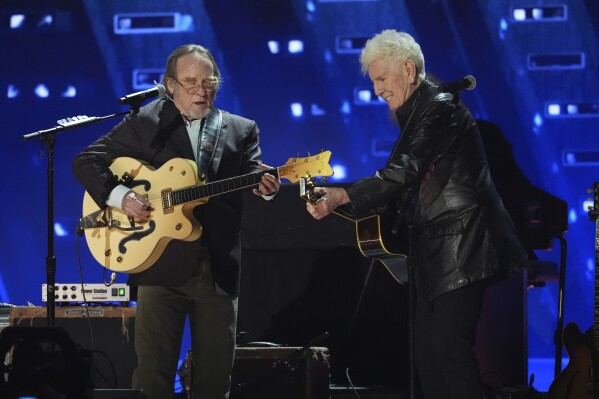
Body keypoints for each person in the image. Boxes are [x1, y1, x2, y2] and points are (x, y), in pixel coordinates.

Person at [305, 30, 527, 399]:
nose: (377, 90)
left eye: (381, 79)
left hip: (465, 243)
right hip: (434, 249)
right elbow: (400, 186)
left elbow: (404, 172)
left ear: (408, 69)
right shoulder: (417, 113)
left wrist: (344, 194)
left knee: (449, 350)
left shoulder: (441, 107)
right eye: (374, 81)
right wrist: (338, 199)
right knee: (427, 357)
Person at [72, 44, 280, 399]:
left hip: (216, 268)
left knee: (214, 381)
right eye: (190, 81)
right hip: (158, 265)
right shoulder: (146, 122)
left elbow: (253, 178)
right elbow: (86, 160)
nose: (202, 89)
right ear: (170, 85)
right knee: (152, 377)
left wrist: (268, 188)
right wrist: (123, 197)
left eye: (209, 80)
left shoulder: (241, 130)